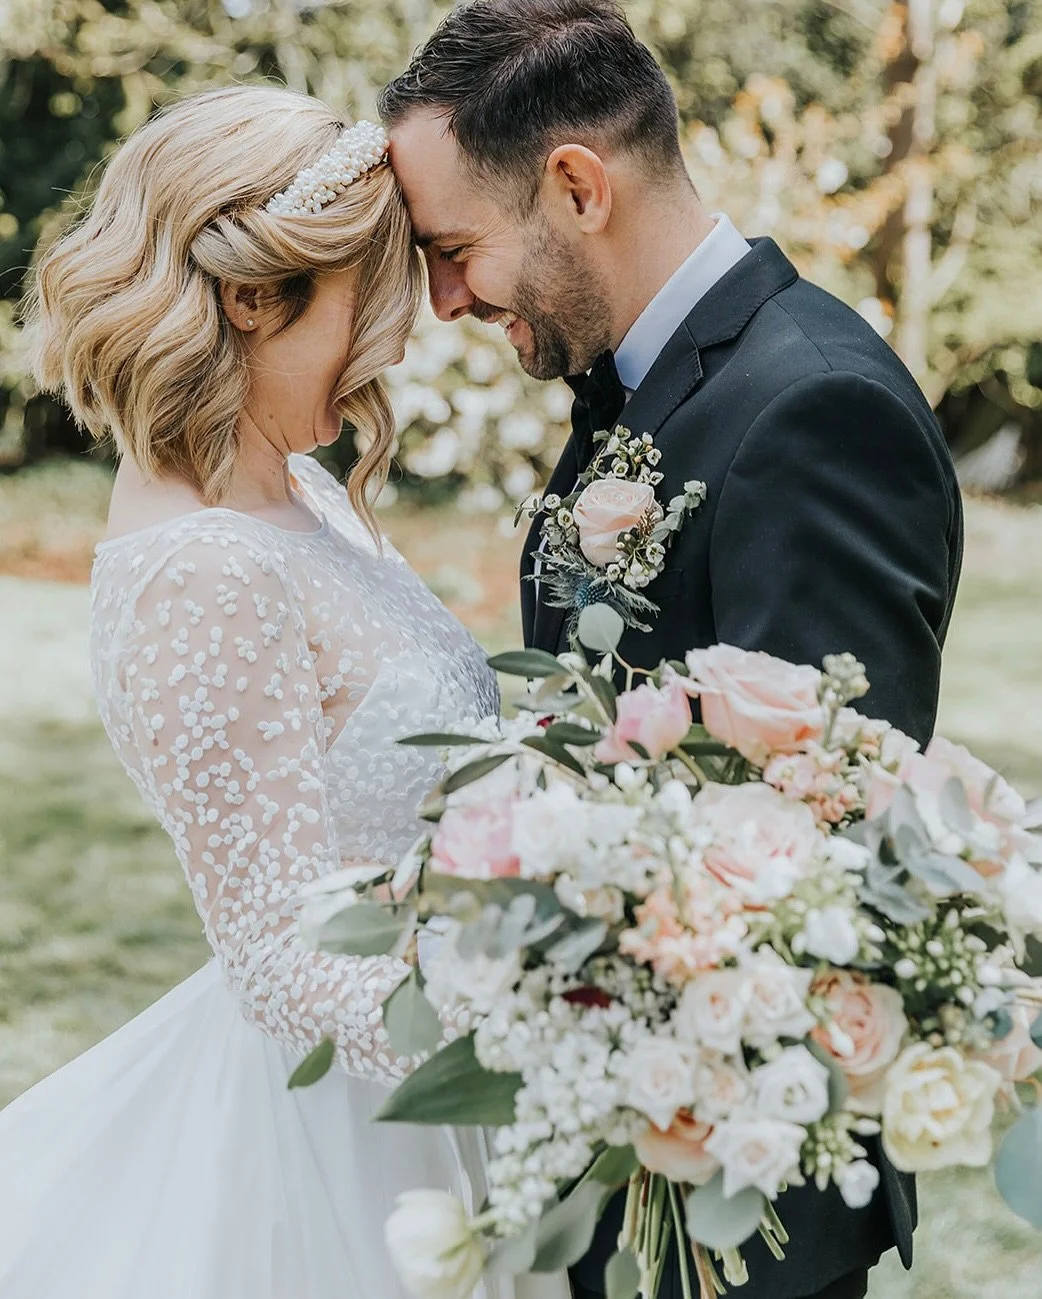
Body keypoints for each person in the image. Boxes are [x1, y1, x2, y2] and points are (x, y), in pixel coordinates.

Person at [381, 2, 963, 1297]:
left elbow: (821, 834)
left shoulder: (813, 407)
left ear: (575, 186)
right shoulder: (643, 382)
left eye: (453, 250)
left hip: (731, 1202)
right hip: (624, 1147)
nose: (444, 299)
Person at [0, 83, 567, 1299]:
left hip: (429, 1074)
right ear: (254, 298)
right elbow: (277, 959)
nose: (399, 344)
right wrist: (555, 1027)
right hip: (341, 1136)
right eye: (375, 302)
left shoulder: (295, 493)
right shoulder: (202, 568)